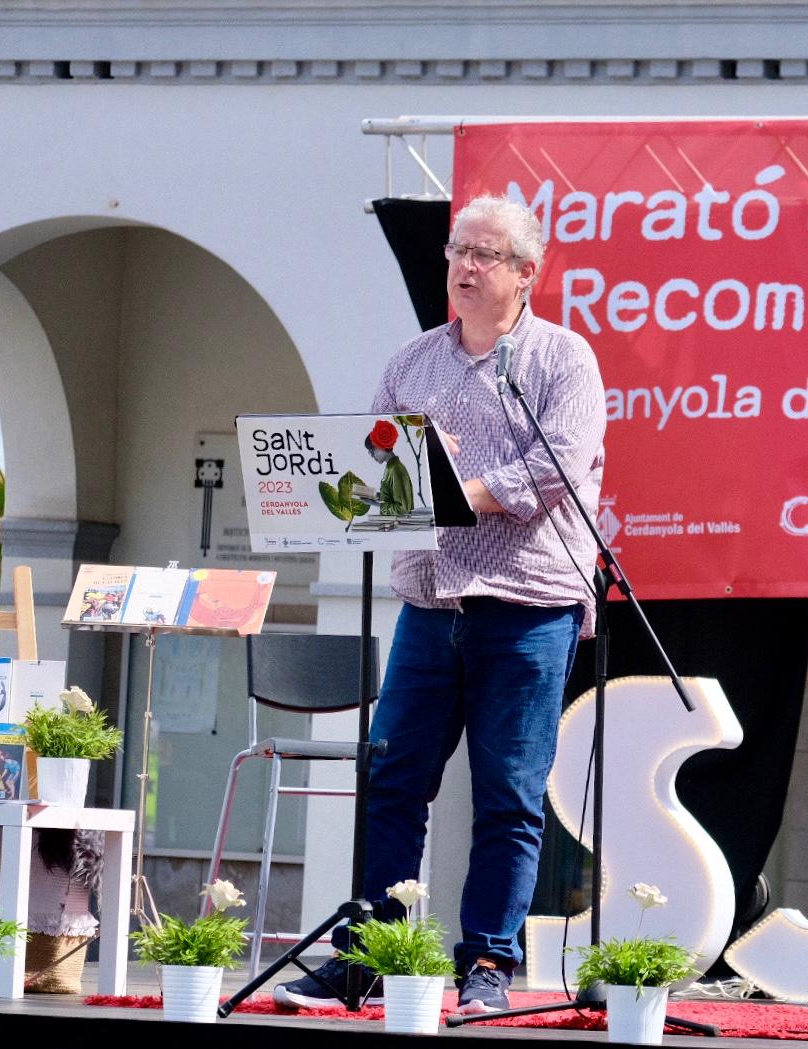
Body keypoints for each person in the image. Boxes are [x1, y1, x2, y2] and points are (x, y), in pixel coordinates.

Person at [274, 195, 605, 1013]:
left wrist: (454, 484)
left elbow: (550, 473)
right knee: (392, 782)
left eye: (487, 255)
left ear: (529, 273)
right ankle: (370, 955)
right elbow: (383, 473)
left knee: (508, 796)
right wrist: (395, 475)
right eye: (459, 250)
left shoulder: (564, 362)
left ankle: (487, 965)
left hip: (527, 608)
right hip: (429, 606)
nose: (464, 266)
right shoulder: (412, 363)